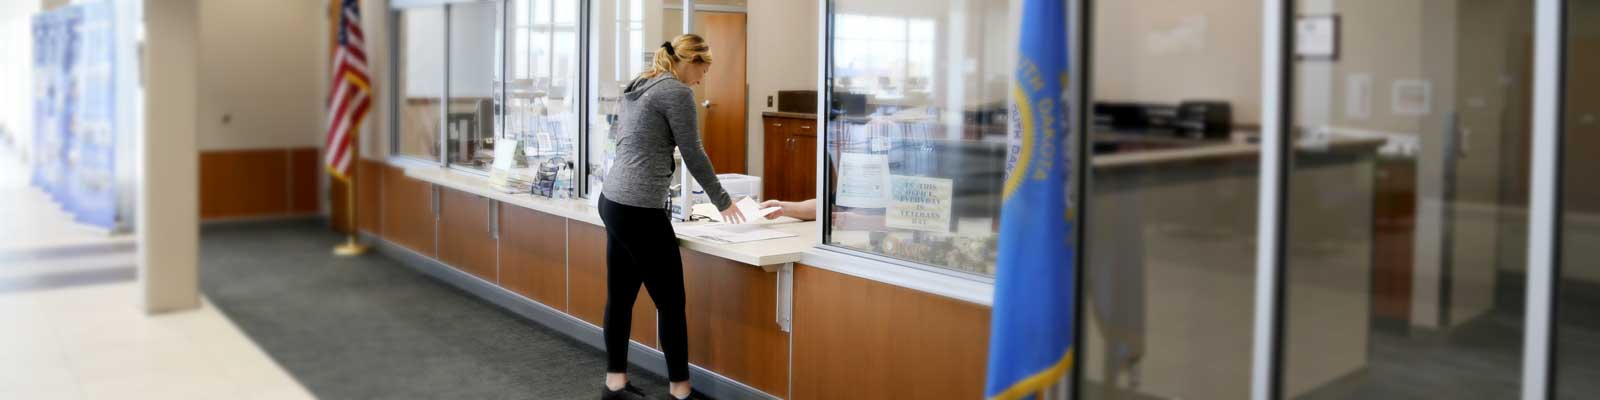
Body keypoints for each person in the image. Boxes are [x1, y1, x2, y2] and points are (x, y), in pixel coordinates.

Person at [597, 33, 742, 400]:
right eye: (702, 70)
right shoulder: (676, 93)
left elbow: (625, 139)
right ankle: (680, 390)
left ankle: (614, 384)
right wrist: (723, 201)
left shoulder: (642, 84)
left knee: (621, 296)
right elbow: (694, 154)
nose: (701, 79)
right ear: (689, 61)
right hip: (639, 208)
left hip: (614, 200)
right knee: (672, 302)